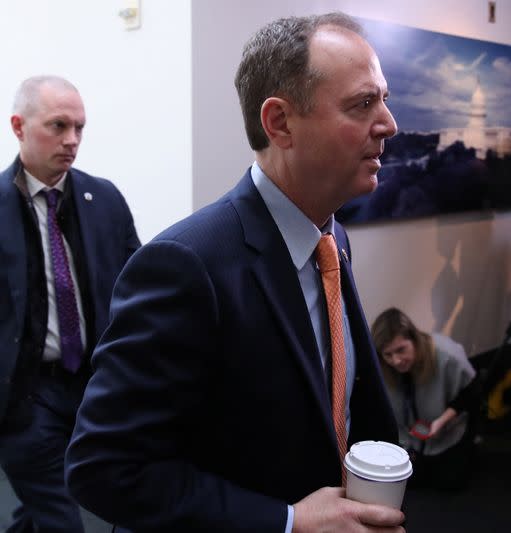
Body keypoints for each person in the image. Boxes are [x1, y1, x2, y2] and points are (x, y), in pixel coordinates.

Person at [65, 13, 404, 533]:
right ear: (280, 123)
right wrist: (287, 521)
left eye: (383, 98)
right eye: (363, 104)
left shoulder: (331, 238)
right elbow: (104, 468)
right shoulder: (185, 265)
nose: (389, 123)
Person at [0, 76, 140, 532]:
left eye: (80, 127)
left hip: (90, 391)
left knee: (47, 508)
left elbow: (137, 288)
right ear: (18, 126)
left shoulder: (104, 200)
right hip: (25, 395)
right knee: (62, 518)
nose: (72, 140)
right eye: (58, 126)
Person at [371, 308, 478, 490]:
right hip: (409, 439)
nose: (396, 361)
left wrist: (442, 421)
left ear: (414, 338)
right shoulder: (381, 365)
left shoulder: (446, 354)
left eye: (401, 350)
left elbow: (472, 393)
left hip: (447, 433)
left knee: (449, 485)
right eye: (388, 354)